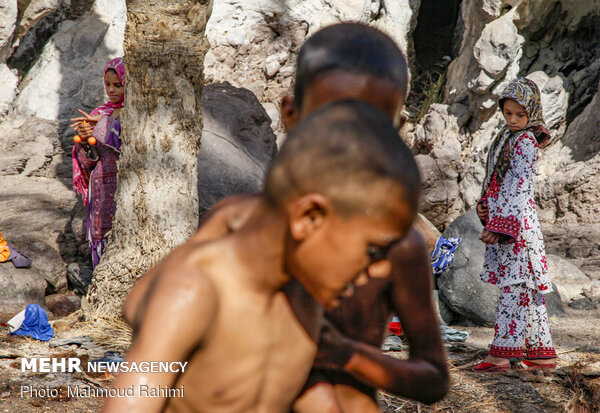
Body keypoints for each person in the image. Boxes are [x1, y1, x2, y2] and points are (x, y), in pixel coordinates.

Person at [124, 23, 449, 413]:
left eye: (371, 125)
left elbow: (431, 378)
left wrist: (344, 355)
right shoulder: (237, 228)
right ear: (292, 116)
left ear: (395, 132)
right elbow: (141, 306)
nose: (347, 141)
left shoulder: (393, 251)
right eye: (331, 120)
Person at [101, 100, 421, 413]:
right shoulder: (198, 290)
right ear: (309, 218)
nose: (375, 273)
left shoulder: (308, 304)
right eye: (371, 251)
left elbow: (301, 392)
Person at [473, 77, 557, 372]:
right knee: (527, 286)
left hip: (516, 227)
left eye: (520, 114)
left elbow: (519, 187)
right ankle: (540, 353)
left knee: (514, 285)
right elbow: (498, 181)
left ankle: (502, 354)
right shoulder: (506, 139)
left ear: (532, 112)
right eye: (508, 113)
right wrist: (484, 204)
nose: (513, 119)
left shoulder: (525, 142)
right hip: (509, 221)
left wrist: (500, 226)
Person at [71, 57, 125, 268]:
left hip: (126, 187)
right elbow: (88, 162)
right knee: (102, 241)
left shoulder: (137, 113)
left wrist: (101, 124)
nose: (111, 90)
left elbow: (126, 141)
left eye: (118, 85)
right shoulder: (100, 113)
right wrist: (84, 141)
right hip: (102, 188)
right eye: (108, 85)